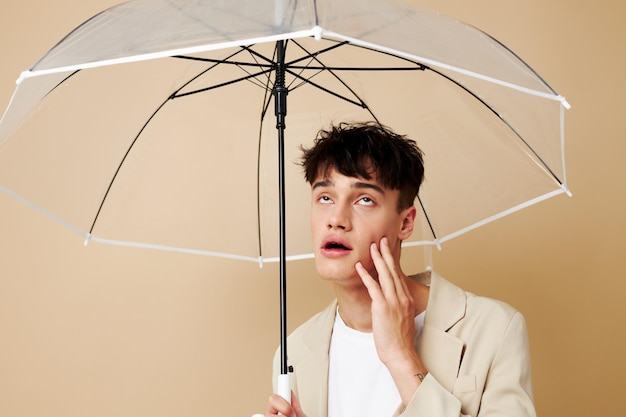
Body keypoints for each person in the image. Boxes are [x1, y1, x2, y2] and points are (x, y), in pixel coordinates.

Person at [264, 122, 536, 417]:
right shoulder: (293, 352)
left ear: (405, 223)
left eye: (364, 200)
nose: (336, 220)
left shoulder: (494, 328)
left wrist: (402, 357)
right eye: (325, 198)